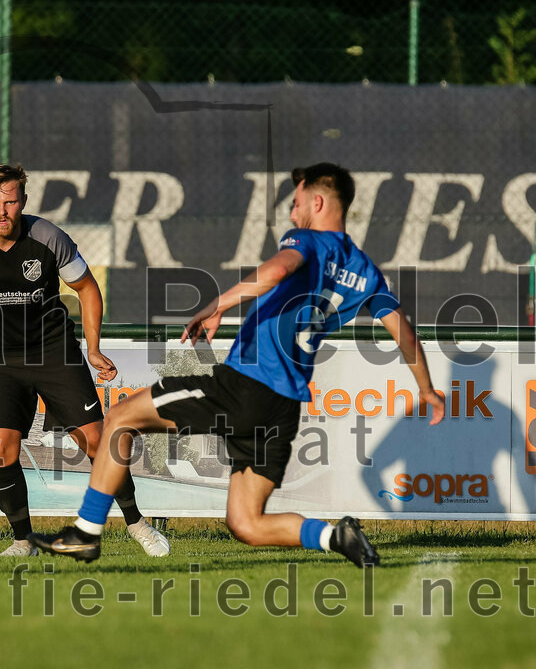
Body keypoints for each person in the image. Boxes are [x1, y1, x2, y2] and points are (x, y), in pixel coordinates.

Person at [30, 162, 445, 566]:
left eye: (297, 201)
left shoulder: (307, 240)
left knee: (120, 417)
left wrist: (218, 304)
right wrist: (425, 388)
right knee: (246, 523)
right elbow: (403, 331)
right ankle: (335, 535)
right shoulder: (366, 271)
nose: (291, 210)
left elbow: (280, 267)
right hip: (283, 408)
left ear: (318, 203)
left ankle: (85, 533)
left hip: (246, 384)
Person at [0, 163, 170, 557]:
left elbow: (86, 288)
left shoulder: (48, 237)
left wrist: (94, 346)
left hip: (54, 354)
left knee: (97, 443)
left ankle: (137, 524)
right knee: (0, 451)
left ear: (23, 202)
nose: (2, 211)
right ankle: (23, 541)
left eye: (10, 201)